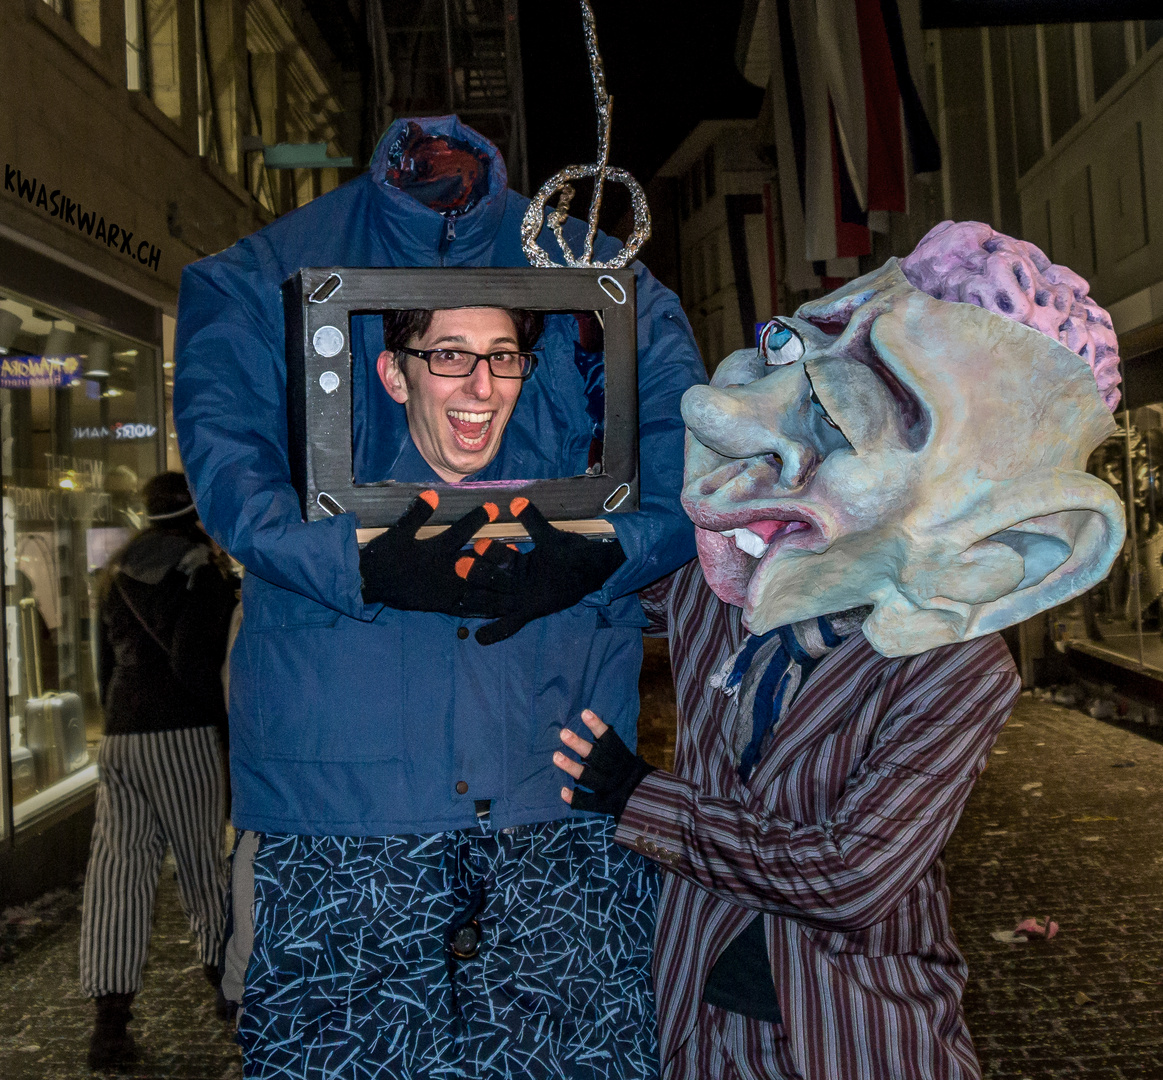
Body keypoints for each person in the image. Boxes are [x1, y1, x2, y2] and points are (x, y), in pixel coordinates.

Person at [174, 115, 704, 1078]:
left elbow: (686, 456)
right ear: (393, 368)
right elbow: (228, 469)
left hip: (552, 778)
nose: (482, 386)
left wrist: (608, 552)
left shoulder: (599, 278)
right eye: (449, 359)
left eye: (503, 361)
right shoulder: (258, 279)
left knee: (565, 1049)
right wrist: (353, 562)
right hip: (345, 799)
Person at [553, 222, 1125, 1079]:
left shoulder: (959, 672)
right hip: (701, 1020)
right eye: (788, 352)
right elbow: (597, 569)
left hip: (854, 1032)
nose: (726, 413)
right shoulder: (721, 587)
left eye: (849, 417)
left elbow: (851, 874)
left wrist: (639, 799)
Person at [79, 471, 239, 1069]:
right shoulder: (200, 571)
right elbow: (203, 666)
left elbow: (103, 669)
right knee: (201, 866)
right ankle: (227, 989)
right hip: (184, 735)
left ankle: (109, 1024)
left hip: (122, 737)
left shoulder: (117, 572)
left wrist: (117, 723)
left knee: (118, 875)